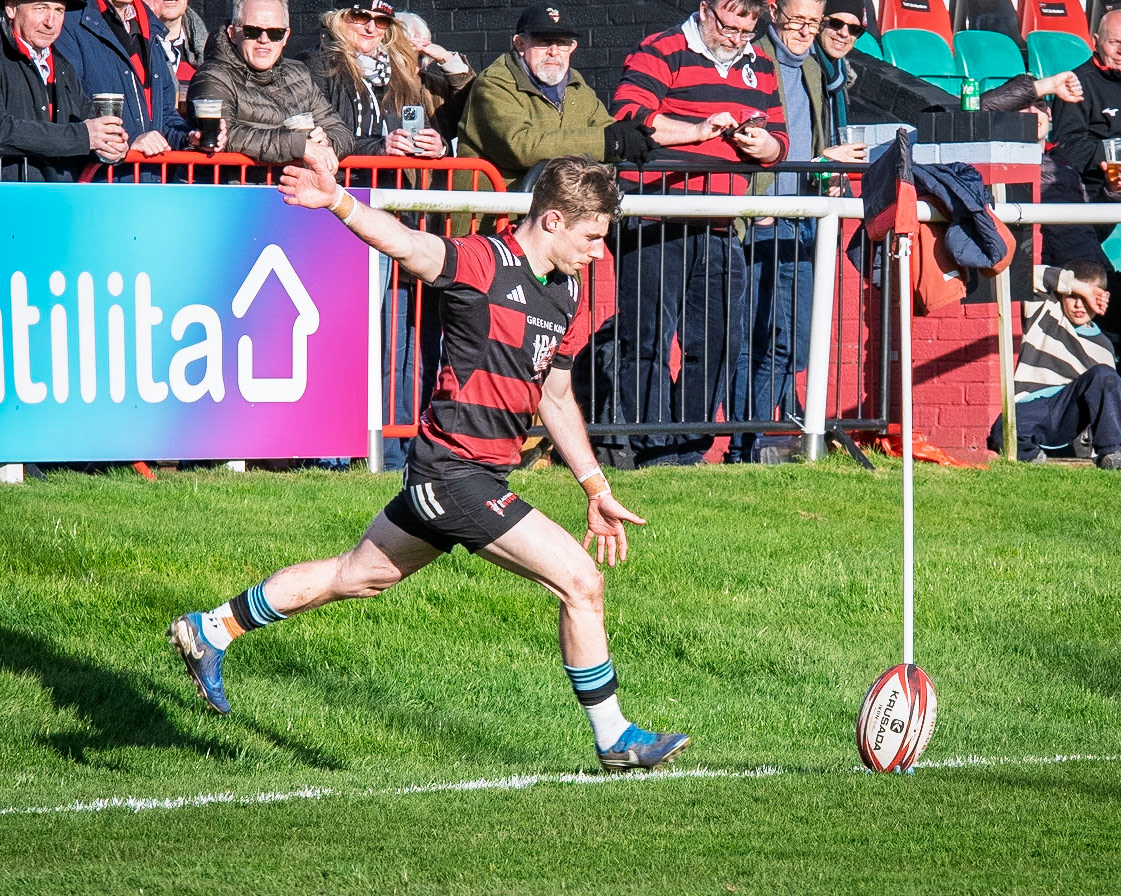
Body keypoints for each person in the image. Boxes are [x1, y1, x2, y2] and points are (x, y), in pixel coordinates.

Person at [168, 153, 691, 772]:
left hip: (471, 476)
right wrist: (337, 200)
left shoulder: (567, 292)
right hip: (451, 473)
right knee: (581, 582)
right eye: (592, 237)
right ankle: (615, 738)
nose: (600, 253)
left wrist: (595, 486)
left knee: (356, 576)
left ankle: (212, 628)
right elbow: (406, 243)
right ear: (553, 220)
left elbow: (554, 395)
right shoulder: (483, 262)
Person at [610, 0, 789, 467]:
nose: (736, 39)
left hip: (722, 222)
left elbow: (780, 140)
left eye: (747, 31)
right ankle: (652, 449)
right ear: (705, 10)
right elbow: (629, 116)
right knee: (648, 338)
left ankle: (689, 449)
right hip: (655, 218)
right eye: (729, 27)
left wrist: (764, 145)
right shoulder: (662, 48)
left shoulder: (760, 63)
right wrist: (699, 130)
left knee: (717, 342)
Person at [303, 0, 459, 469]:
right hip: (337, 215)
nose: (370, 27)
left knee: (395, 338)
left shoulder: (401, 73)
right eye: (360, 17)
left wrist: (435, 145)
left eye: (380, 20)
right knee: (340, 331)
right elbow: (322, 137)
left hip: (392, 216)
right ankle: (330, 450)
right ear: (340, 19)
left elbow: (456, 112)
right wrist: (379, 147)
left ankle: (391, 451)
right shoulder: (319, 66)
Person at [727, 0, 866, 462]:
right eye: (799, 21)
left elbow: (812, 143)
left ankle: (754, 442)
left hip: (803, 221)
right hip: (763, 222)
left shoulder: (812, 69)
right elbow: (745, 141)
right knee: (763, 340)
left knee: (794, 343)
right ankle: (747, 446)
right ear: (774, 11)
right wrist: (819, 162)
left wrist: (827, 173)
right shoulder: (751, 61)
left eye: (813, 22)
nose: (807, 31)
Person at [455, 2, 656, 193]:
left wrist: (629, 137)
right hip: (493, 211)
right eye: (543, 42)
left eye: (562, 43)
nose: (554, 52)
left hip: (553, 209)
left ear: (573, 47)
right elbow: (520, 145)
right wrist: (610, 141)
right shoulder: (494, 84)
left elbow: (605, 129)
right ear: (520, 44)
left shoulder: (576, 86)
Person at [988, 260, 1121, 469]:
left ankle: (1111, 454)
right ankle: (1032, 456)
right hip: (1032, 405)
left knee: (1104, 376)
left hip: (1067, 413)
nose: (1079, 305)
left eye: (1088, 298)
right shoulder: (1045, 310)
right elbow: (1020, 274)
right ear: (1062, 293)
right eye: (1073, 296)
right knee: (1002, 431)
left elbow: (1105, 403)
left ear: (1103, 297)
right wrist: (1078, 286)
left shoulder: (1103, 347)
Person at [186, 0, 352, 167]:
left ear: (285, 37)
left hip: (293, 182)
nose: (264, 40)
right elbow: (223, 135)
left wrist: (325, 143)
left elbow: (341, 131)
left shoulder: (299, 74)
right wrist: (299, 145)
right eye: (252, 31)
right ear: (233, 33)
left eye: (275, 33)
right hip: (233, 182)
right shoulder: (212, 76)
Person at [1, 0, 129, 181]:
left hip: (60, 194)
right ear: (11, 8)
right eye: (41, 8)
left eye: (59, 10)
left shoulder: (63, 66)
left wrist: (111, 146)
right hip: (10, 194)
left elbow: (87, 121)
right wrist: (82, 137)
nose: (50, 22)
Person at [56, 0, 198, 156]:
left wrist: (190, 138)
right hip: (99, 169)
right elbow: (70, 113)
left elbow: (165, 117)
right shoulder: (71, 23)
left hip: (147, 169)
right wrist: (129, 142)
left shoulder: (149, 26)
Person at [1051, 8, 1121, 205]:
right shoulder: (1076, 84)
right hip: (1097, 190)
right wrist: (1114, 152)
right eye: (1114, 42)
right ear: (1095, 42)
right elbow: (1067, 147)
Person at [394, 9, 474, 138]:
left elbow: (474, 107)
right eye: (406, 55)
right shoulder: (375, 87)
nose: (414, 64)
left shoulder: (435, 88)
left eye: (420, 56)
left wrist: (446, 58)